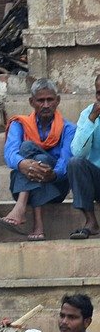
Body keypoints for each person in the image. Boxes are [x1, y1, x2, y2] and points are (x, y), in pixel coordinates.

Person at [0, 78, 75, 240]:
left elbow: (65, 161)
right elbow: (10, 153)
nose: (45, 105)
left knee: (30, 151)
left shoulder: (68, 129)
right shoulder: (20, 124)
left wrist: (52, 174)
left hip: (56, 187)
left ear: (57, 101)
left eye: (50, 100)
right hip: (20, 185)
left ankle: (20, 209)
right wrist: (22, 163)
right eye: (40, 100)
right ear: (32, 102)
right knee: (27, 151)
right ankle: (37, 224)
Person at [66, 73, 100, 240]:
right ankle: (91, 222)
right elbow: (78, 152)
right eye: (99, 93)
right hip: (97, 179)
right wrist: (91, 121)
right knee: (75, 163)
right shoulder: (88, 114)